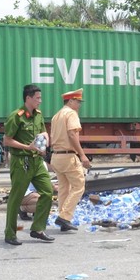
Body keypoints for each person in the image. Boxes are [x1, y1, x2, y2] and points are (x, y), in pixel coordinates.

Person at [3, 84, 54, 245]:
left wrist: (45, 140)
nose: (40, 101)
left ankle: (37, 229)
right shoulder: (16, 116)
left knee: (47, 192)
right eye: (37, 98)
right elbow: (7, 140)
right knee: (16, 198)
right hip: (21, 161)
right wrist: (28, 147)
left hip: (37, 161)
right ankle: (10, 234)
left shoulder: (38, 115)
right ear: (28, 98)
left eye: (40, 97)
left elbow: (43, 131)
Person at [50, 88, 92, 232]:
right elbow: (72, 135)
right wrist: (82, 155)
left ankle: (63, 218)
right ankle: (64, 217)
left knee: (63, 188)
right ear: (71, 101)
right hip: (68, 156)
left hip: (56, 156)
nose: (79, 105)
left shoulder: (57, 115)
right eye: (78, 102)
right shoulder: (71, 114)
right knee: (79, 186)